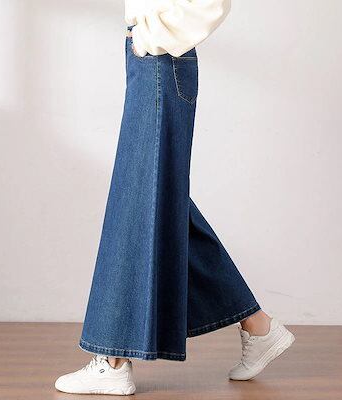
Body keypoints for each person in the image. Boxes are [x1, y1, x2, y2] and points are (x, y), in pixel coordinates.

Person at [55, 0, 295, 395]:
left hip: (161, 60)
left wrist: (153, 36)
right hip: (152, 59)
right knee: (158, 201)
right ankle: (258, 326)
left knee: (136, 200)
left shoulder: (158, 42)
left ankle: (112, 361)